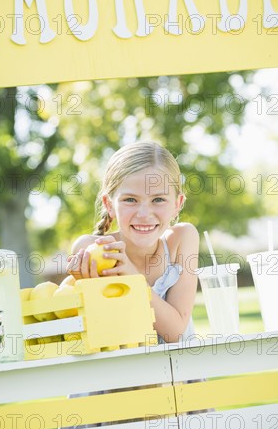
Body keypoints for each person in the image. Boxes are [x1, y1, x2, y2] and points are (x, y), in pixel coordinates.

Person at [65, 140, 199, 343]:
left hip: (183, 372)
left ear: (177, 205)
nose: (144, 214)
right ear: (109, 205)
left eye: (158, 200)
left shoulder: (182, 239)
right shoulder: (93, 250)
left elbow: (175, 333)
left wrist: (133, 279)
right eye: (130, 200)